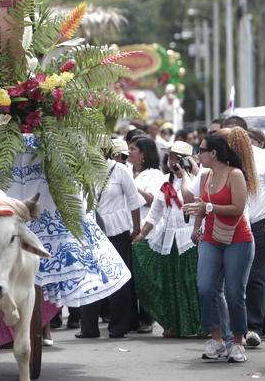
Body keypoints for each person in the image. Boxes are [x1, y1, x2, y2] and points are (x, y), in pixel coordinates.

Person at [184, 131, 256, 363]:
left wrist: (209, 208)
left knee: (235, 292)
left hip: (238, 238)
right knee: (206, 288)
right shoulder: (205, 176)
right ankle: (216, 339)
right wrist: (196, 227)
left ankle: (237, 341)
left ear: (213, 153)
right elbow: (200, 205)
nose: (198, 155)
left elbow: (237, 207)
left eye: (201, 150)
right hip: (211, 238)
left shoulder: (235, 175)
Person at [132, 141, 201, 338]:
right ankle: (173, 324)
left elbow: (190, 199)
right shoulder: (165, 183)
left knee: (190, 283)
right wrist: (141, 236)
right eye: (170, 157)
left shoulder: (196, 180)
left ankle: (195, 324)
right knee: (170, 284)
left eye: (177, 158)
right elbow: (153, 216)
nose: (172, 162)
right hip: (169, 241)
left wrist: (185, 174)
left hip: (189, 240)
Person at [78, 140, 144, 339]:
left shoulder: (120, 170)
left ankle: (118, 327)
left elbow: (134, 201)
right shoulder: (84, 170)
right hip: (91, 230)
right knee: (90, 278)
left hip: (117, 230)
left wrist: (137, 228)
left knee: (119, 278)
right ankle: (88, 327)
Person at [221, 116, 265, 349]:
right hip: (228, 223)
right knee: (229, 280)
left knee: (256, 276)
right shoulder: (222, 160)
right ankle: (233, 329)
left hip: (257, 222)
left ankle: (254, 326)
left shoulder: (264, 158)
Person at [128, 136, 166, 333]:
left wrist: (132, 187)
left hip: (146, 230)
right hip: (127, 228)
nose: (129, 151)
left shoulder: (155, 175)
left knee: (145, 275)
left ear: (143, 154)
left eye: (133, 148)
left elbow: (153, 201)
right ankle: (133, 317)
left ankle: (147, 317)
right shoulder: (129, 171)